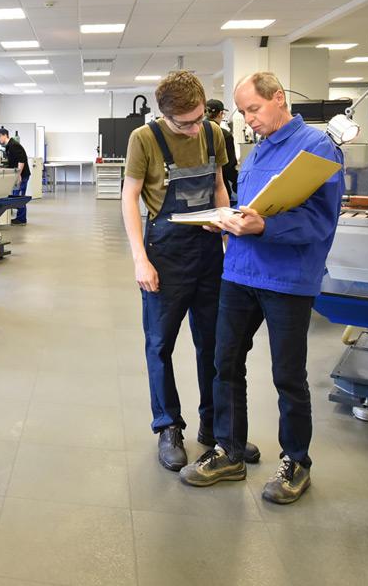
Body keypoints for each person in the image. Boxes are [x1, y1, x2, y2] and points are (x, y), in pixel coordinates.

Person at [180, 71, 345, 505]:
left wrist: (265, 225)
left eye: (253, 109)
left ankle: (297, 462)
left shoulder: (316, 148)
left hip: (287, 280)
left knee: (288, 374)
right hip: (238, 273)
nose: (248, 119)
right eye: (243, 112)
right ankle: (229, 450)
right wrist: (229, 220)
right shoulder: (255, 153)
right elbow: (250, 207)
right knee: (225, 363)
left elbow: (319, 220)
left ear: (279, 99)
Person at [121, 71, 261, 472]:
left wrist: (226, 236)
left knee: (214, 344)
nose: (195, 128)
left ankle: (215, 428)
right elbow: (129, 198)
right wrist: (139, 259)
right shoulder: (144, 139)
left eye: (200, 118)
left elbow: (218, 186)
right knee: (160, 344)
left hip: (208, 252)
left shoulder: (214, 134)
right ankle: (168, 426)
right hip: (164, 253)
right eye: (186, 123)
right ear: (165, 115)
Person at [205, 98, 239, 200]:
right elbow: (229, 167)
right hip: (220, 187)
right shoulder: (224, 135)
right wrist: (237, 181)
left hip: (198, 189)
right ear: (220, 114)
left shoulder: (195, 132)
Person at [0, 127, 31, 224]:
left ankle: (21, 219)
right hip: (17, 174)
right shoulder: (9, 146)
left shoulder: (14, 145)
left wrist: (18, 175)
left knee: (19, 198)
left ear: (5, 135)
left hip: (22, 175)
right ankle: (20, 218)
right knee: (16, 196)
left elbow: (21, 161)